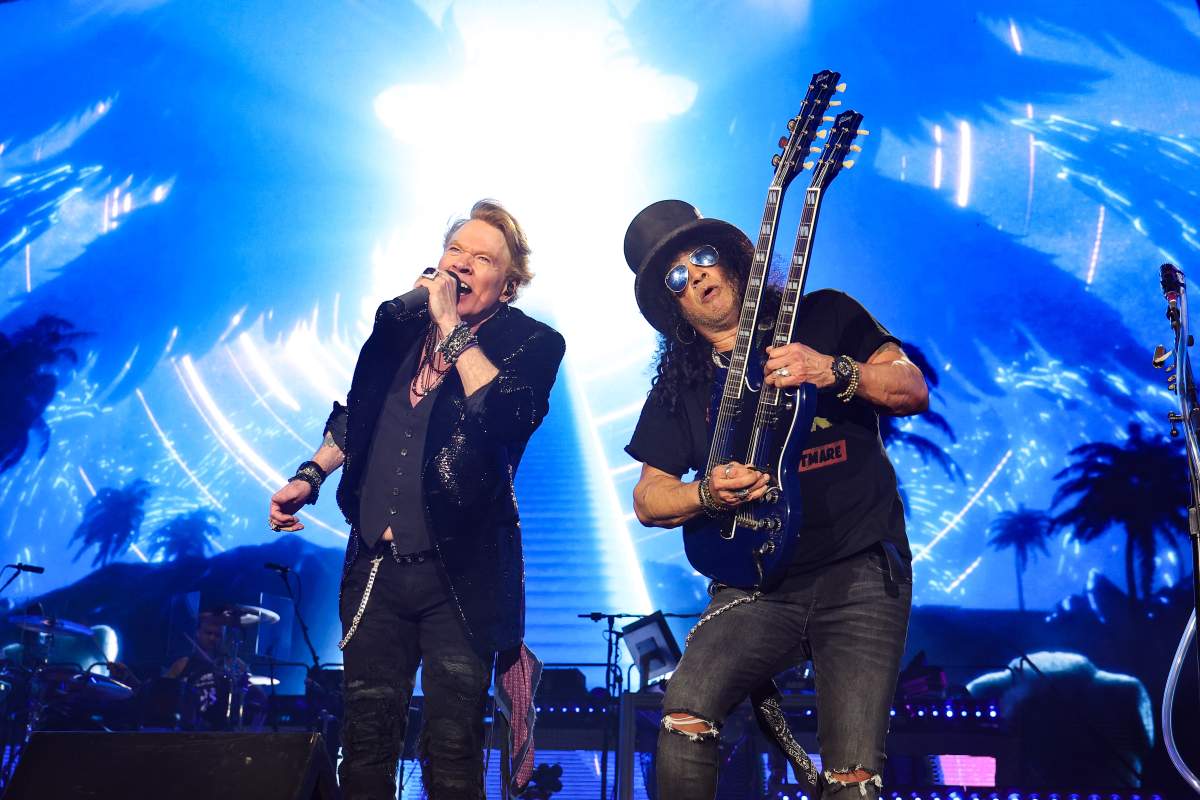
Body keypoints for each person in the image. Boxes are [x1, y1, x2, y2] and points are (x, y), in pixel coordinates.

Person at [622, 200, 929, 799]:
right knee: (685, 711)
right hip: (756, 586)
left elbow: (911, 387)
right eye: (678, 276)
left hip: (861, 566)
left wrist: (833, 371)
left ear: (736, 259)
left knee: (852, 776)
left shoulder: (824, 314)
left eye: (704, 256)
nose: (699, 275)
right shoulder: (680, 383)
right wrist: (707, 492)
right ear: (674, 304)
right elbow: (649, 498)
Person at [268, 199, 565, 800]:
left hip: (461, 575)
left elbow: (508, 415)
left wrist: (453, 331)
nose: (461, 264)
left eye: (481, 259)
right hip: (376, 569)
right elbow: (358, 415)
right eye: (455, 250)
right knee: (367, 746)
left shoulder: (532, 343)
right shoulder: (399, 332)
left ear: (507, 286)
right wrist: (311, 475)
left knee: (451, 752)